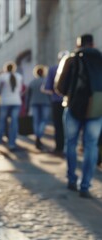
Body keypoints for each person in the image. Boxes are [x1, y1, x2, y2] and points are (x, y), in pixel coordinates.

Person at [55, 34, 102, 198]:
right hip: (96, 108)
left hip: (74, 106)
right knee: (91, 145)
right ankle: (85, 185)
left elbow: (59, 86)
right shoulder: (100, 58)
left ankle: (72, 179)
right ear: (92, 43)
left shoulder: (71, 59)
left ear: (78, 44)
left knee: (71, 143)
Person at [43, 51, 69, 155]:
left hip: (57, 101)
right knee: (70, 126)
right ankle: (68, 148)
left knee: (58, 125)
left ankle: (59, 148)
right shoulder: (74, 67)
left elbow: (48, 88)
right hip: (70, 101)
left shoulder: (53, 69)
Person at [0, 62, 23, 150]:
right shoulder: (19, 76)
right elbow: (20, 89)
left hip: (5, 102)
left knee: (2, 121)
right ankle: (12, 143)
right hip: (16, 101)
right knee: (14, 122)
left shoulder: (2, 77)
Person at [26, 65, 51, 150]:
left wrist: (26, 106)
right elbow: (49, 93)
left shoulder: (32, 82)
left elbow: (28, 95)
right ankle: (39, 135)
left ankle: (37, 136)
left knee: (36, 121)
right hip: (45, 103)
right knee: (43, 120)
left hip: (34, 103)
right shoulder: (46, 81)